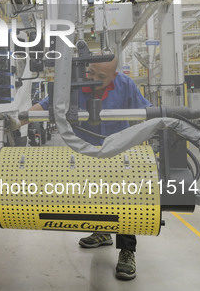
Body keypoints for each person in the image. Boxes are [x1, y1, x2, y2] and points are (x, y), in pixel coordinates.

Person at [30, 56, 151, 281]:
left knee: (127, 201)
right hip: (85, 154)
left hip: (118, 152)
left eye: (101, 77)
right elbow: (45, 105)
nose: (94, 79)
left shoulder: (125, 85)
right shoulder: (74, 85)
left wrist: (166, 120)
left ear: (115, 75)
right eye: (91, 73)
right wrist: (18, 120)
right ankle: (103, 232)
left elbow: (145, 110)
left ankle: (127, 252)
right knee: (93, 196)